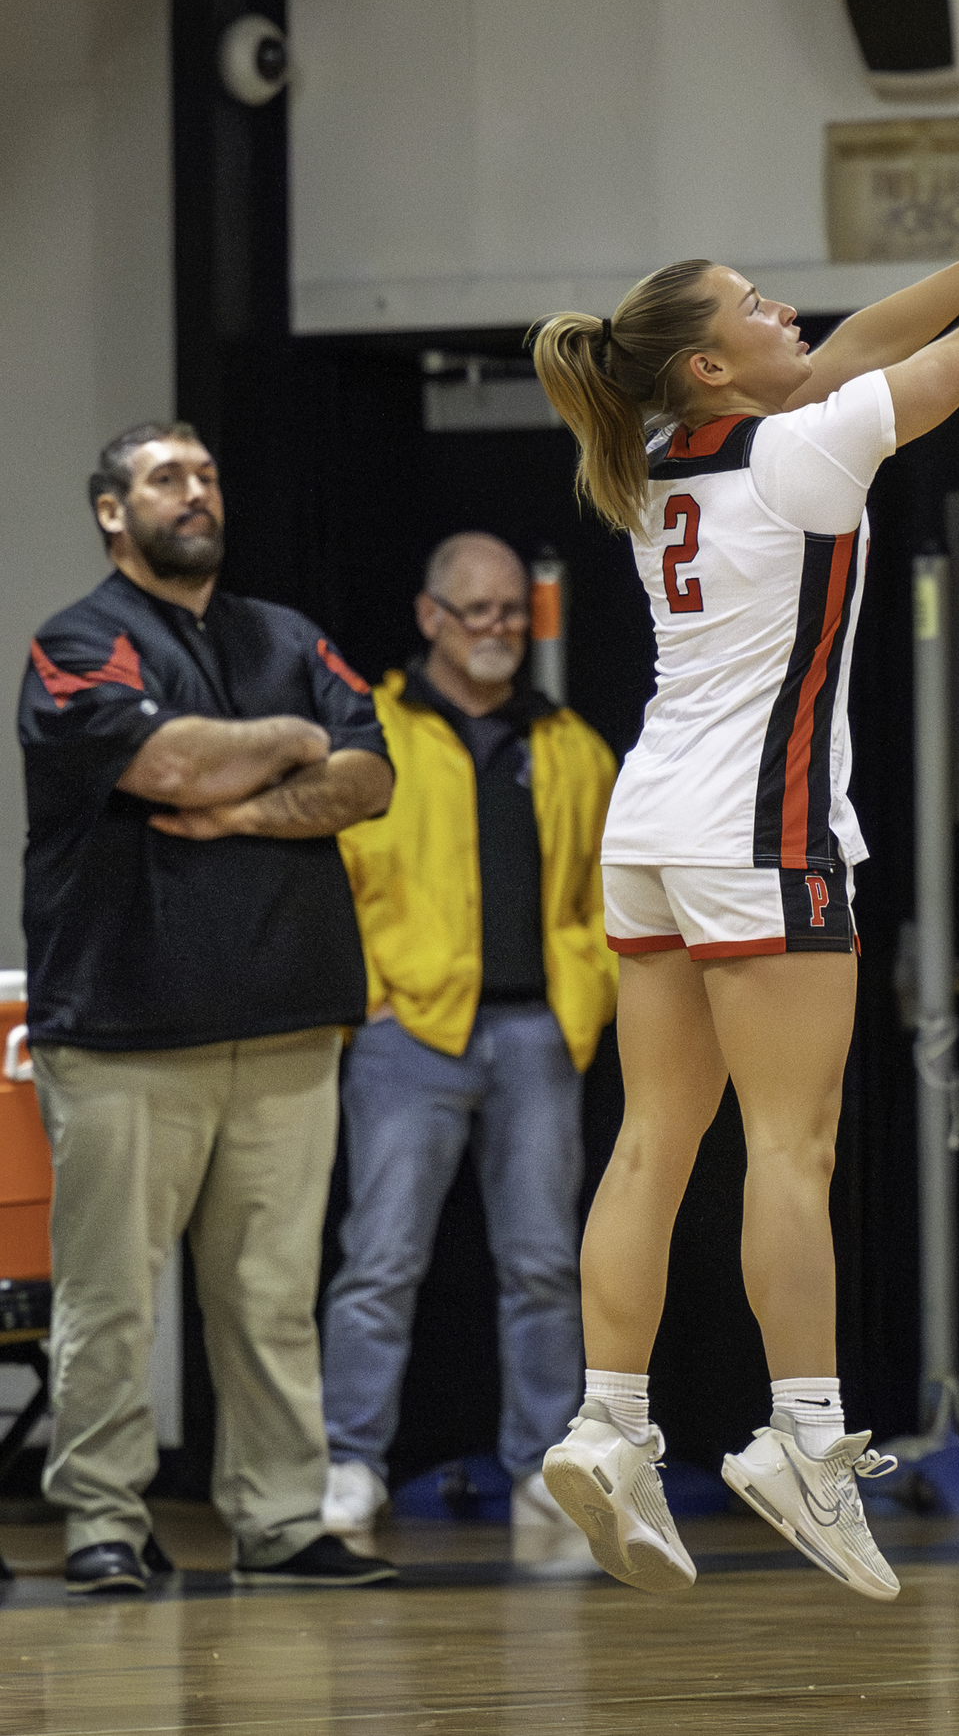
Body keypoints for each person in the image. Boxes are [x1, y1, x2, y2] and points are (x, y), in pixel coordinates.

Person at [529, 129, 959, 1600]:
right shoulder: (802, 448)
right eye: (754, 306)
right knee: (793, 1147)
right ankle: (801, 1439)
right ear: (712, 366)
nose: (785, 312)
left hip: (650, 830)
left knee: (655, 1140)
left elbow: (867, 340)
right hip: (757, 830)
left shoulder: (667, 454)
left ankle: (606, 1420)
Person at [18, 421, 398, 1594]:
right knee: (110, 1301)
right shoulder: (77, 643)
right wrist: (289, 744)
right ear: (109, 511)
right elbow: (165, 766)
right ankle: (104, 1519)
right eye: (165, 478)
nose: (195, 493)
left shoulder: (286, 633)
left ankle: (281, 1520)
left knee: (273, 1298)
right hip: (125, 1025)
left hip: (287, 1018)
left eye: (207, 474)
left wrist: (241, 804)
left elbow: (371, 775)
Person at [320, 533, 617, 1538]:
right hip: (412, 1037)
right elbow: (336, 885)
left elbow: (613, 898)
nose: (495, 630)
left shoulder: (571, 745)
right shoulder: (377, 737)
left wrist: (588, 997)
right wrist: (371, 996)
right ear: (430, 617)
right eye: (474, 611)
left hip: (539, 1034)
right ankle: (349, 1461)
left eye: (508, 613)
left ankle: (540, 1468)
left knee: (543, 1265)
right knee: (381, 1260)